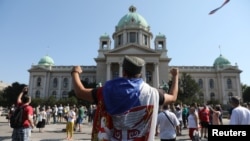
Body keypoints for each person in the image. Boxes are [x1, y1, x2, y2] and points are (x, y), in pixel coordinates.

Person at [71, 55, 179, 141]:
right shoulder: (153, 93)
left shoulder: (107, 90)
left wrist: (75, 72)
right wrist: (175, 76)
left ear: (123, 72)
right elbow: (173, 97)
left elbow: (80, 92)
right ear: (140, 74)